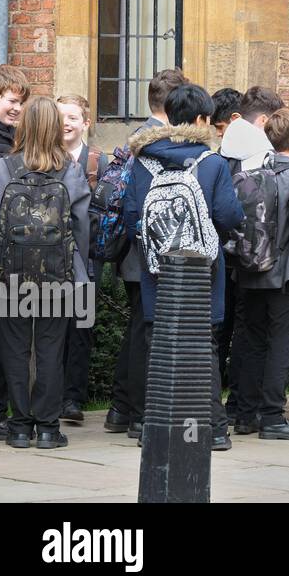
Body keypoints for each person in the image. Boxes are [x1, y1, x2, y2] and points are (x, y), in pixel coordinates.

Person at [123, 82, 244, 450]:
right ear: (202, 119)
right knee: (203, 346)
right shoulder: (212, 163)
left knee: (156, 344)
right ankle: (213, 429)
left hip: (156, 270)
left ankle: (150, 425)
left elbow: (132, 217)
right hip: (202, 272)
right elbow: (228, 215)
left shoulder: (143, 160)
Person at [0, 96, 91, 449]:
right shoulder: (70, 170)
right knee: (50, 347)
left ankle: (19, 427)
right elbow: (81, 228)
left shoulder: (2, 168)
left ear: (24, 126)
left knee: (14, 348)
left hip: (7, 274)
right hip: (57, 272)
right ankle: (48, 428)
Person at [106, 67, 188, 439]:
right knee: (145, 333)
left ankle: (121, 407)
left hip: (132, 253)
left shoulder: (136, 137)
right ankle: (139, 413)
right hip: (147, 253)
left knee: (137, 329)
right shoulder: (154, 143)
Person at [232, 108, 289, 440]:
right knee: (279, 344)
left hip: (251, 271)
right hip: (284, 276)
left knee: (251, 342)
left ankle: (244, 414)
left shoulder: (255, 171)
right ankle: (272, 417)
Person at [217, 85, 285, 427]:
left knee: (229, 331)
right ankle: (245, 409)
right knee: (252, 331)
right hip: (254, 253)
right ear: (262, 120)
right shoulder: (258, 151)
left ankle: (228, 407)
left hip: (226, 251)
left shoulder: (227, 147)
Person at [56, 93, 108, 424]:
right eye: (61, 116)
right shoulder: (44, 158)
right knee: (51, 328)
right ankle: (51, 394)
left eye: (73, 117)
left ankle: (73, 398)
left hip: (87, 260)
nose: (66, 123)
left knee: (81, 330)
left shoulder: (97, 162)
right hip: (52, 258)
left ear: (85, 123)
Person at [0, 64, 28, 441]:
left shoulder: (12, 139)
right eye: (9, 100)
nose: (16, 108)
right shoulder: (1, 146)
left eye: (20, 102)